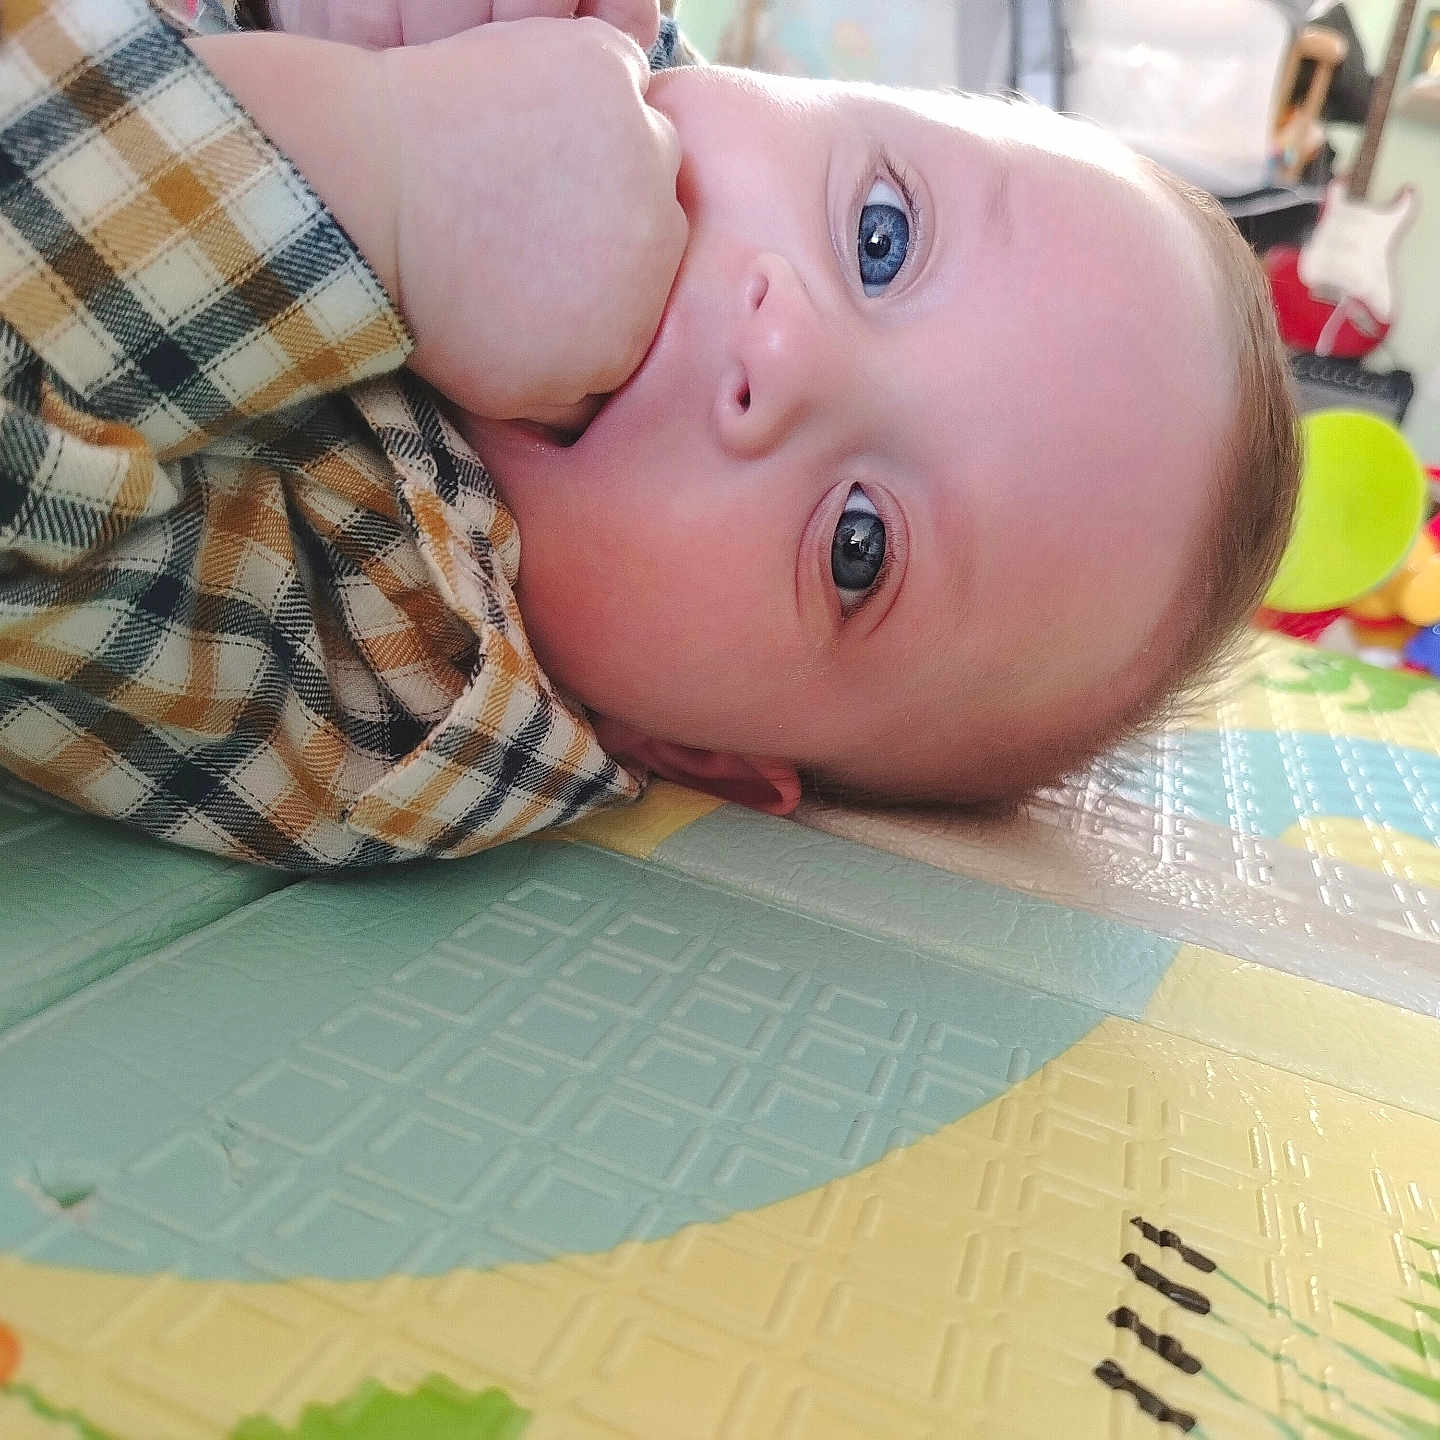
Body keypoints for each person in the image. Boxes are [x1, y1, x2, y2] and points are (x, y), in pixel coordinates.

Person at [0, 0, 1298, 871]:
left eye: (858, 546)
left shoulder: (409, 667)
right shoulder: (605, 57)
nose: (781, 347)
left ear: (695, 754)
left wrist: (381, 163)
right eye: (880, 237)